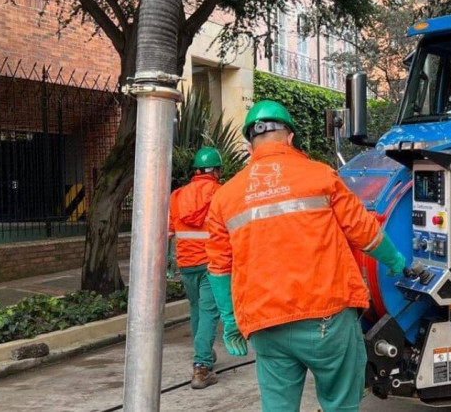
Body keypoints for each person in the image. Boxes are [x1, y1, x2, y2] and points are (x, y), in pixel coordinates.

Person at [205, 100, 406, 411]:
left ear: (250, 144)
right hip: (326, 320)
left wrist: (231, 321)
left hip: (266, 324)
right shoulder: (320, 176)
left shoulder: (225, 197)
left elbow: (219, 267)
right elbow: (364, 231)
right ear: (290, 137)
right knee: (340, 402)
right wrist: (396, 262)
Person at [168, 146, 223, 389]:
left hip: (187, 263)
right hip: (211, 263)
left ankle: (205, 352)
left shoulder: (177, 196)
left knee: (196, 309)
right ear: (217, 171)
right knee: (210, 312)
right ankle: (201, 366)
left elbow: (169, 232)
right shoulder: (221, 194)